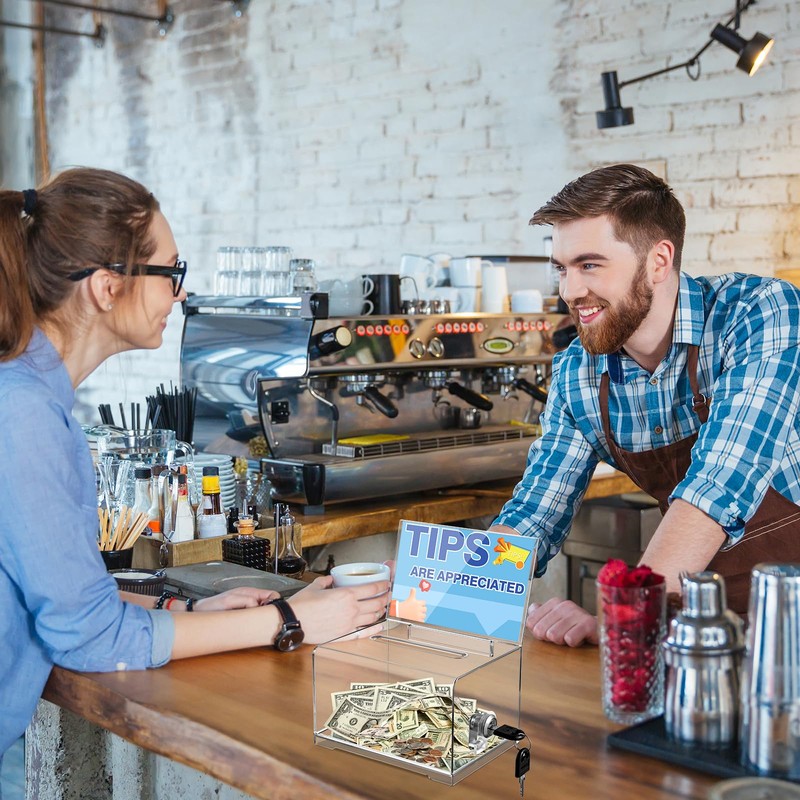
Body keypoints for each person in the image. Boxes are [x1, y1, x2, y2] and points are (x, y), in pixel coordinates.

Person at [0, 168, 390, 758]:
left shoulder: (30, 397)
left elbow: (61, 592)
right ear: (107, 287)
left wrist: (183, 606)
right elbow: (89, 636)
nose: (180, 294)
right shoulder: (23, 413)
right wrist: (291, 618)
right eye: (171, 272)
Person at [491, 163, 800, 646]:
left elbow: (719, 485)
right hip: (701, 626)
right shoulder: (579, 372)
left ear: (659, 260)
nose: (570, 291)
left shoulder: (758, 313)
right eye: (562, 269)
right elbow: (535, 515)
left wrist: (622, 619)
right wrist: (437, 580)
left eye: (589, 265)